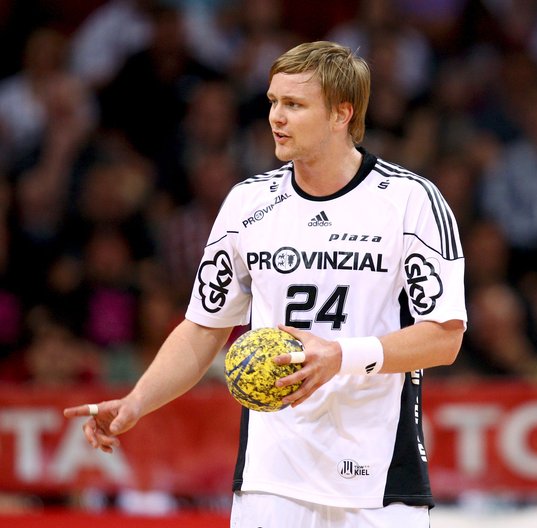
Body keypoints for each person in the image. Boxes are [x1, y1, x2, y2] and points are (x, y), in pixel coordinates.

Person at [64, 40, 467, 527]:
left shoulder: (410, 201)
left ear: (341, 114)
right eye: (273, 101)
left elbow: (445, 337)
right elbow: (204, 327)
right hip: (270, 479)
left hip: (378, 478)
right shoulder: (248, 203)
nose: (276, 117)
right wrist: (137, 400)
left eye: (294, 104)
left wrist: (340, 355)